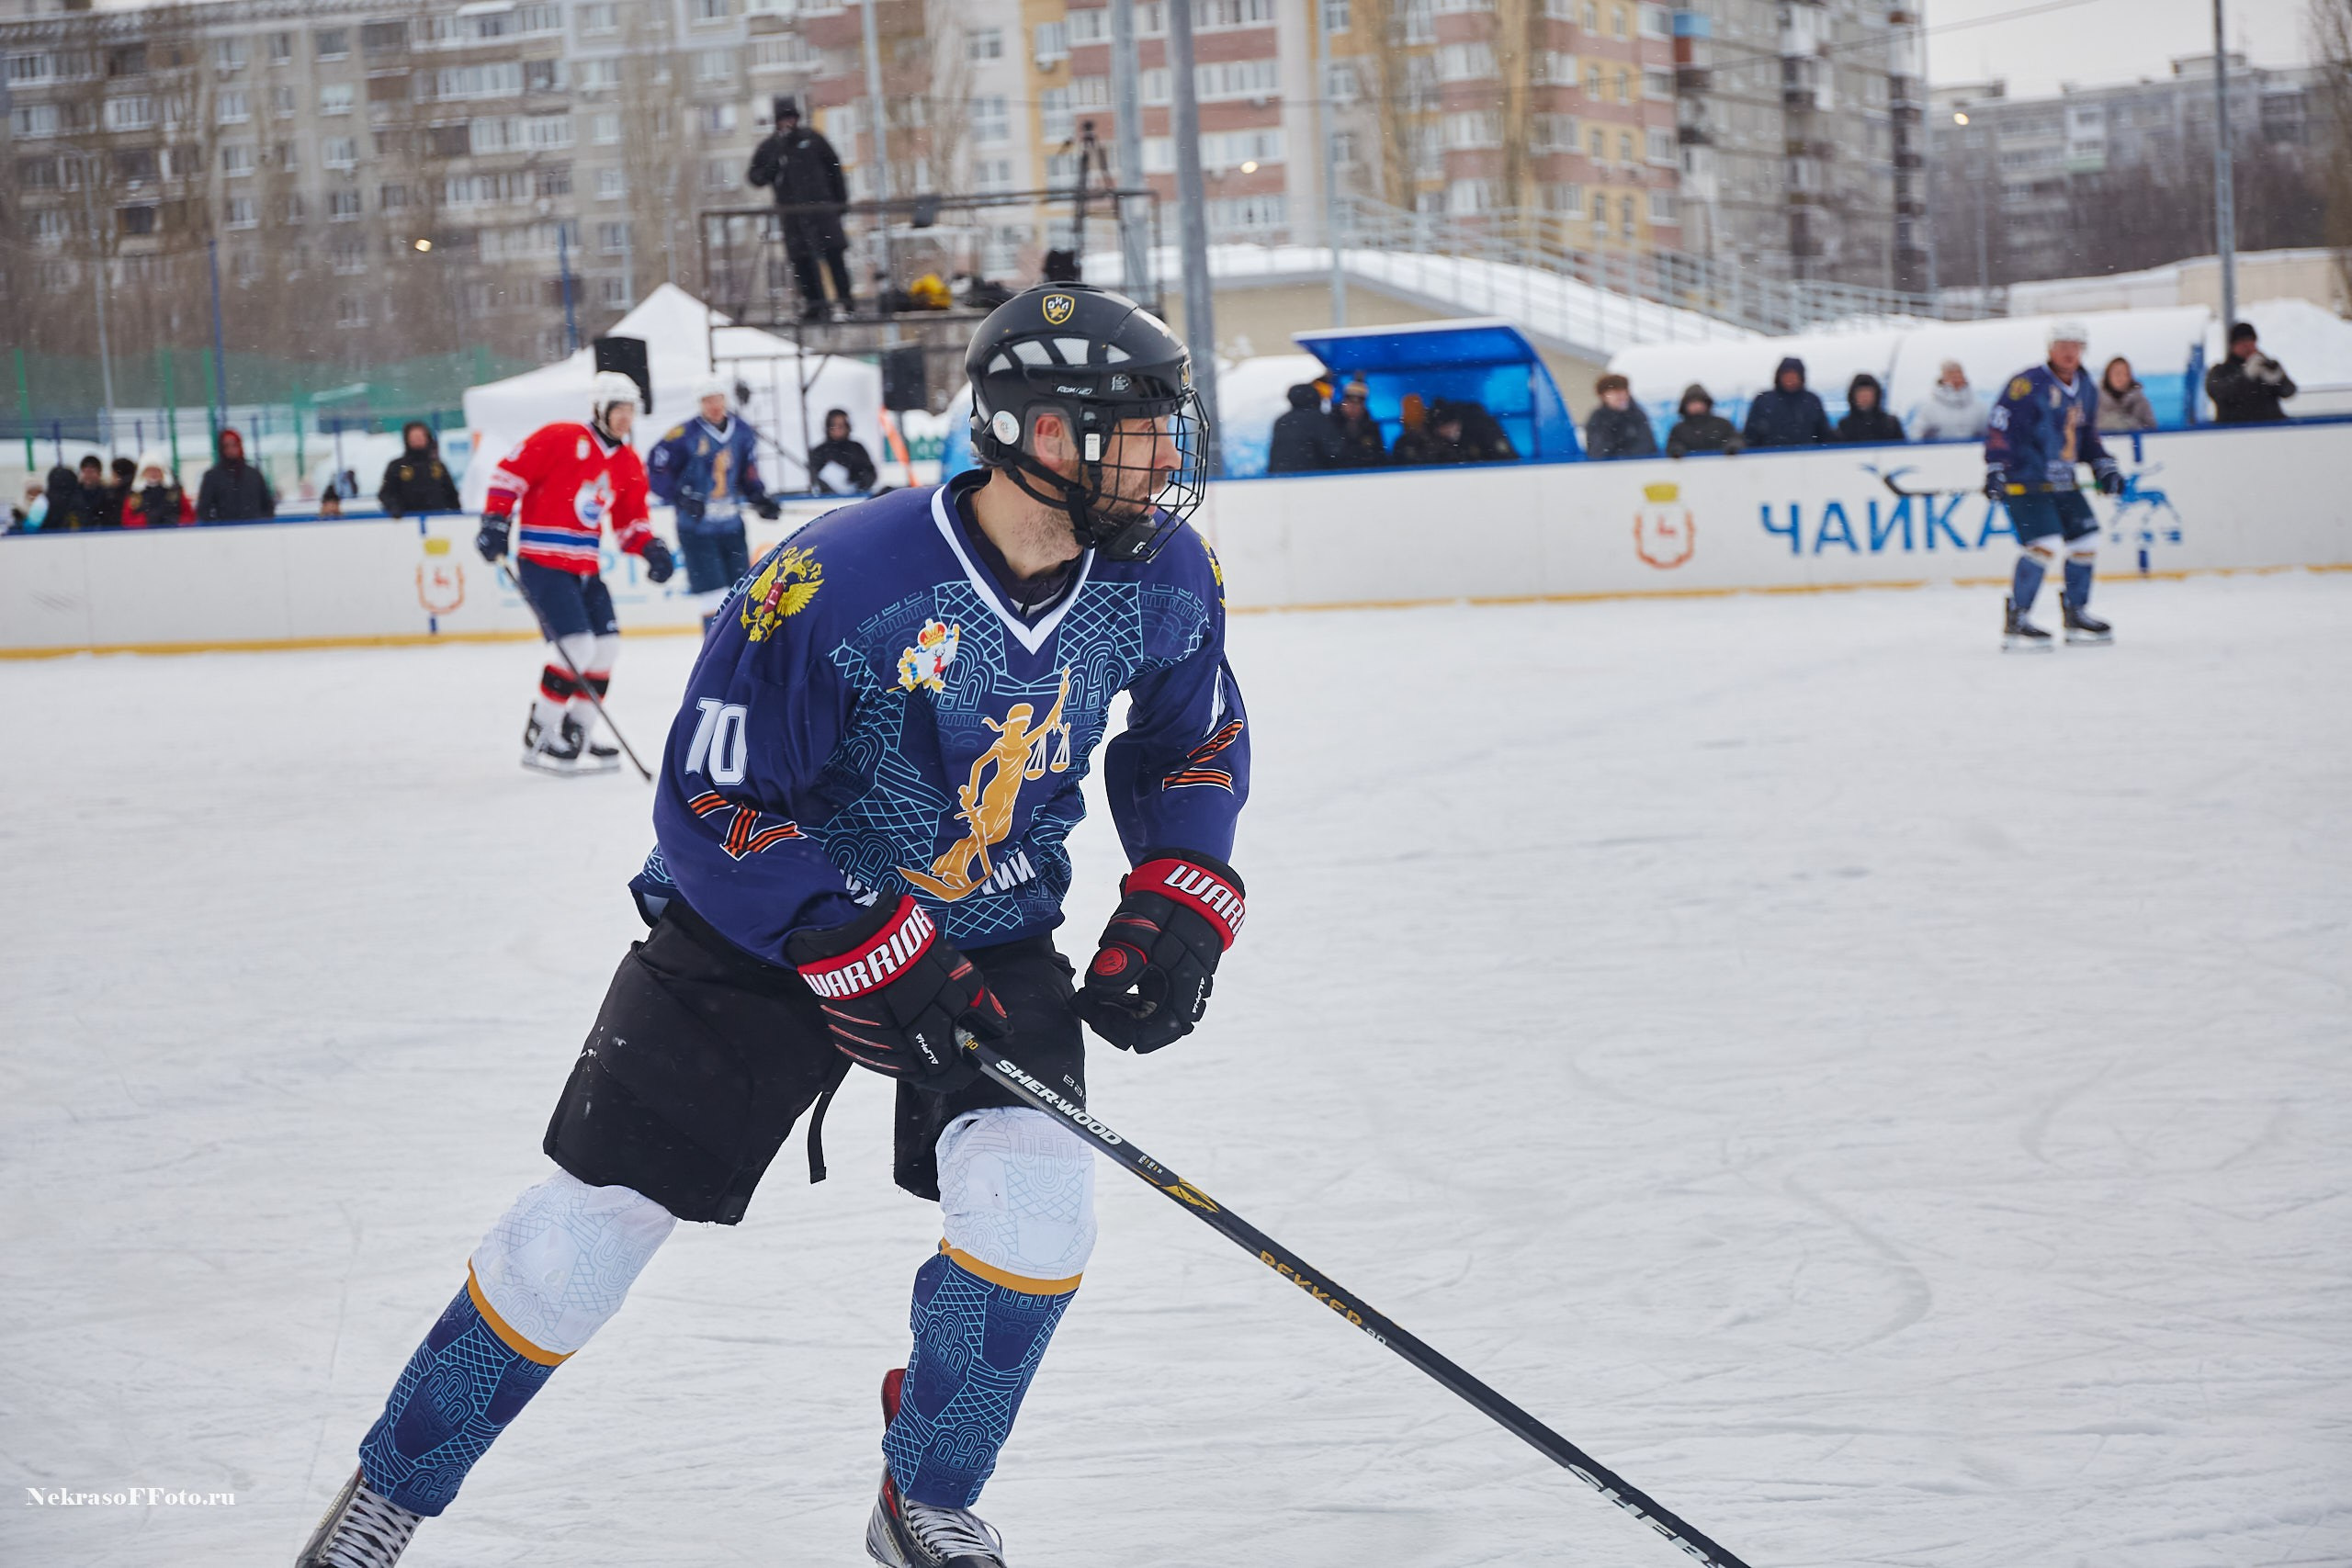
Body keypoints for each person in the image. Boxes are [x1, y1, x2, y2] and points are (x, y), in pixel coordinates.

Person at [295, 281, 1248, 1568]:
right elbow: (706, 797)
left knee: (1035, 1211)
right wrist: (849, 930)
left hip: (987, 927)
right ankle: (389, 1492)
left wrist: (1181, 889)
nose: (1163, 458)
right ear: (1033, 431)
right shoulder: (836, 577)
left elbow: (1193, 739)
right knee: (584, 1229)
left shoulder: (1162, 573)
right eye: (1132, 427)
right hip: (755, 934)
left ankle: (927, 1495)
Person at [472, 371, 677, 773]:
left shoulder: (628, 463)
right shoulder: (560, 437)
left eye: (630, 410)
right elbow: (507, 476)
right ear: (600, 408)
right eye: (618, 409)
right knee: (577, 646)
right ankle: (540, 732)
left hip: (585, 567)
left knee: (607, 648)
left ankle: (576, 732)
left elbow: (630, 523)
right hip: (542, 562)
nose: (625, 418)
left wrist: (651, 549)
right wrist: (495, 522)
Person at [1987, 320, 2122, 651]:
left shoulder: (2086, 386)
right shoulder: (2027, 383)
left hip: (2064, 482)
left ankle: (2076, 613)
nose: (2068, 352)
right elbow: (2001, 425)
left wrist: (2102, 466)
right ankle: (2017, 619)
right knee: (2044, 543)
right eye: (2062, 345)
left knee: (2087, 539)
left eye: (2075, 346)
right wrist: (1996, 466)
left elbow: (2087, 435)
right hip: (2027, 481)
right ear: (2050, 349)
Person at [648, 377, 784, 630]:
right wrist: (682, 497)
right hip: (696, 529)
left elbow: (749, 471)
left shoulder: (742, 431)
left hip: (731, 526)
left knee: (742, 592)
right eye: (707, 400)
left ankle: (739, 650)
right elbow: (656, 468)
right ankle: (714, 651)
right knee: (712, 593)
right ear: (699, 404)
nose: (714, 405)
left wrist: (759, 497)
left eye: (718, 398)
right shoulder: (684, 435)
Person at [747, 96, 854, 321]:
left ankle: (846, 302)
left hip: (822, 212)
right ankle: (816, 305)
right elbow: (756, 177)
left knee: (834, 258)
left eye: (791, 118)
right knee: (803, 263)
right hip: (793, 217)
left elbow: (835, 169)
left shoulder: (812, 140)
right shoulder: (771, 147)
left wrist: (840, 203)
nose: (788, 124)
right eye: (783, 119)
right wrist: (774, 164)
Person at [2204, 321, 2295, 424]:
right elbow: (2219, 393)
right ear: (2232, 345)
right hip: (2233, 431)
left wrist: (2279, 379)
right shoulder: (2220, 371)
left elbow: (2289, 392)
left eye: (2251, 340)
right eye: (2242, 342)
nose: (2247, 345)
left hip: (2272, 430)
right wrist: (2245, 377)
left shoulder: (2267, 365)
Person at [1741, 356, 1831, 448]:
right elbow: (1750, 435)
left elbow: (1824, 435)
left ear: (1801, 377)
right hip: (1769, 458)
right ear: (1779, 376)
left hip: (1807, 457)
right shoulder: (1763, 400)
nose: (1791, 379)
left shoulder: (1812, 400)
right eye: (1787, 374)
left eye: (1795, 375)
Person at [377, 422, 464, 517]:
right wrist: (395, 507)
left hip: (437, 520)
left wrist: (457, 515)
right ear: (407, 439)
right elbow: (386, 494)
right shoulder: (397, 466)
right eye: (413, 437)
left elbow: (451, 494)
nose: (417, 440)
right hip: (407, 521)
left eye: (420, 436)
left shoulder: (438, 466)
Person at [197, 428, 276, 522]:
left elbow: (268, 506)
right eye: (226, 446)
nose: (231, 449)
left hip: (254, 530)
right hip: (225, 532)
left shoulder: (254, 475)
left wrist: (260, 522)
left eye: (234, 445)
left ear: (240, 446)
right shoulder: (212, 477)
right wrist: (218, 526)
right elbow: (203, 510)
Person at [1266, 382, 1340, 473]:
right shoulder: (1319, 419)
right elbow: (1334, 450)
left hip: (1281, 476)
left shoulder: (1282, 421)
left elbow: (1275, 453)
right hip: (1313, 477)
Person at [807, 405, 879, 494]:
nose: (838, 429)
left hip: (857, 498)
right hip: (828, 500)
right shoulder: (819, 452)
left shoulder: (857, 448)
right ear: (828, 427)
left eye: (842, 425)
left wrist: (858, 484)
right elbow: (815, 479)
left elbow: (870, 473)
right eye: (834, 425)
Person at [1583, 373, 1657, 460]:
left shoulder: (1637, 415)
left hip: (1638, 466)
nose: (1620, 396)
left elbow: (1646, 444)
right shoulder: (1598, 418)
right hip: (1608, 468)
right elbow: (1597, 450)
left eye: (1622, 392)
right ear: (1603, 396)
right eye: (1614, 393)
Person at [1913, 360, 1987, 443]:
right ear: (1943, 378)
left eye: (1958, 374)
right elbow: (1917, 434)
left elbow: (1987, 433)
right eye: (1951, 374)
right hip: (1938, 452)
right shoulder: (1929, 407)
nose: (1956, 378)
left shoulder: (1978, 406)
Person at [1664, 384, 1740, 457]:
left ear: (1707, 403)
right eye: (1691, 403)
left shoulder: (1723, 424)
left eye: (1699, 402)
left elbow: (1735, 439)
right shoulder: (1678, 429)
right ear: (1684, 406)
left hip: (1723, 468)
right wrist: (1676, 451)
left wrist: (1732, 447)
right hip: (1688, 469)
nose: (1696, 406)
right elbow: (1672, 445)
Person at [120, 452, 194, 527]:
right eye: (149, 470)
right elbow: (127, 520)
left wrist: (176, 521)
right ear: (142, 472)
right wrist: (146, 521)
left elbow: (189, 515)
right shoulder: (135, 493)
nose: (153, 473)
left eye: (157, 470)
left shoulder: (175, 491)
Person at [1834, 374, 1906, 445]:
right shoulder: (1844, 426)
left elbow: (1903, 451)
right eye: (1860, 393)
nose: (1865, 397)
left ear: (1876, 395)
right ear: (1853, 396)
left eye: (1868, 392)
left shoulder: (1891, 424)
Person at [1329, 378, 1385, 467]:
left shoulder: (1371, 427)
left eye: (1358, 404)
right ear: (1343, 403)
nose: (1353, 408)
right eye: (1350, 403)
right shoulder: (1331, 424)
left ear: (1363, 407)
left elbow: (1380, 455)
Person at [2097, 357, 2157, 434]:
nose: (2120, 377)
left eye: (2125, 373)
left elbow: (2152, 430)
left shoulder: (2140, 402)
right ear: (2108, 375)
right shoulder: (2095, 401)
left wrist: (2131, 426)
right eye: (2117, 373)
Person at [79, 456, 124, 529]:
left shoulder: (108, 495)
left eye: (92, 472)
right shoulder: (75, 493)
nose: (88, 476)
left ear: (99, 473)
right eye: (86, 472)